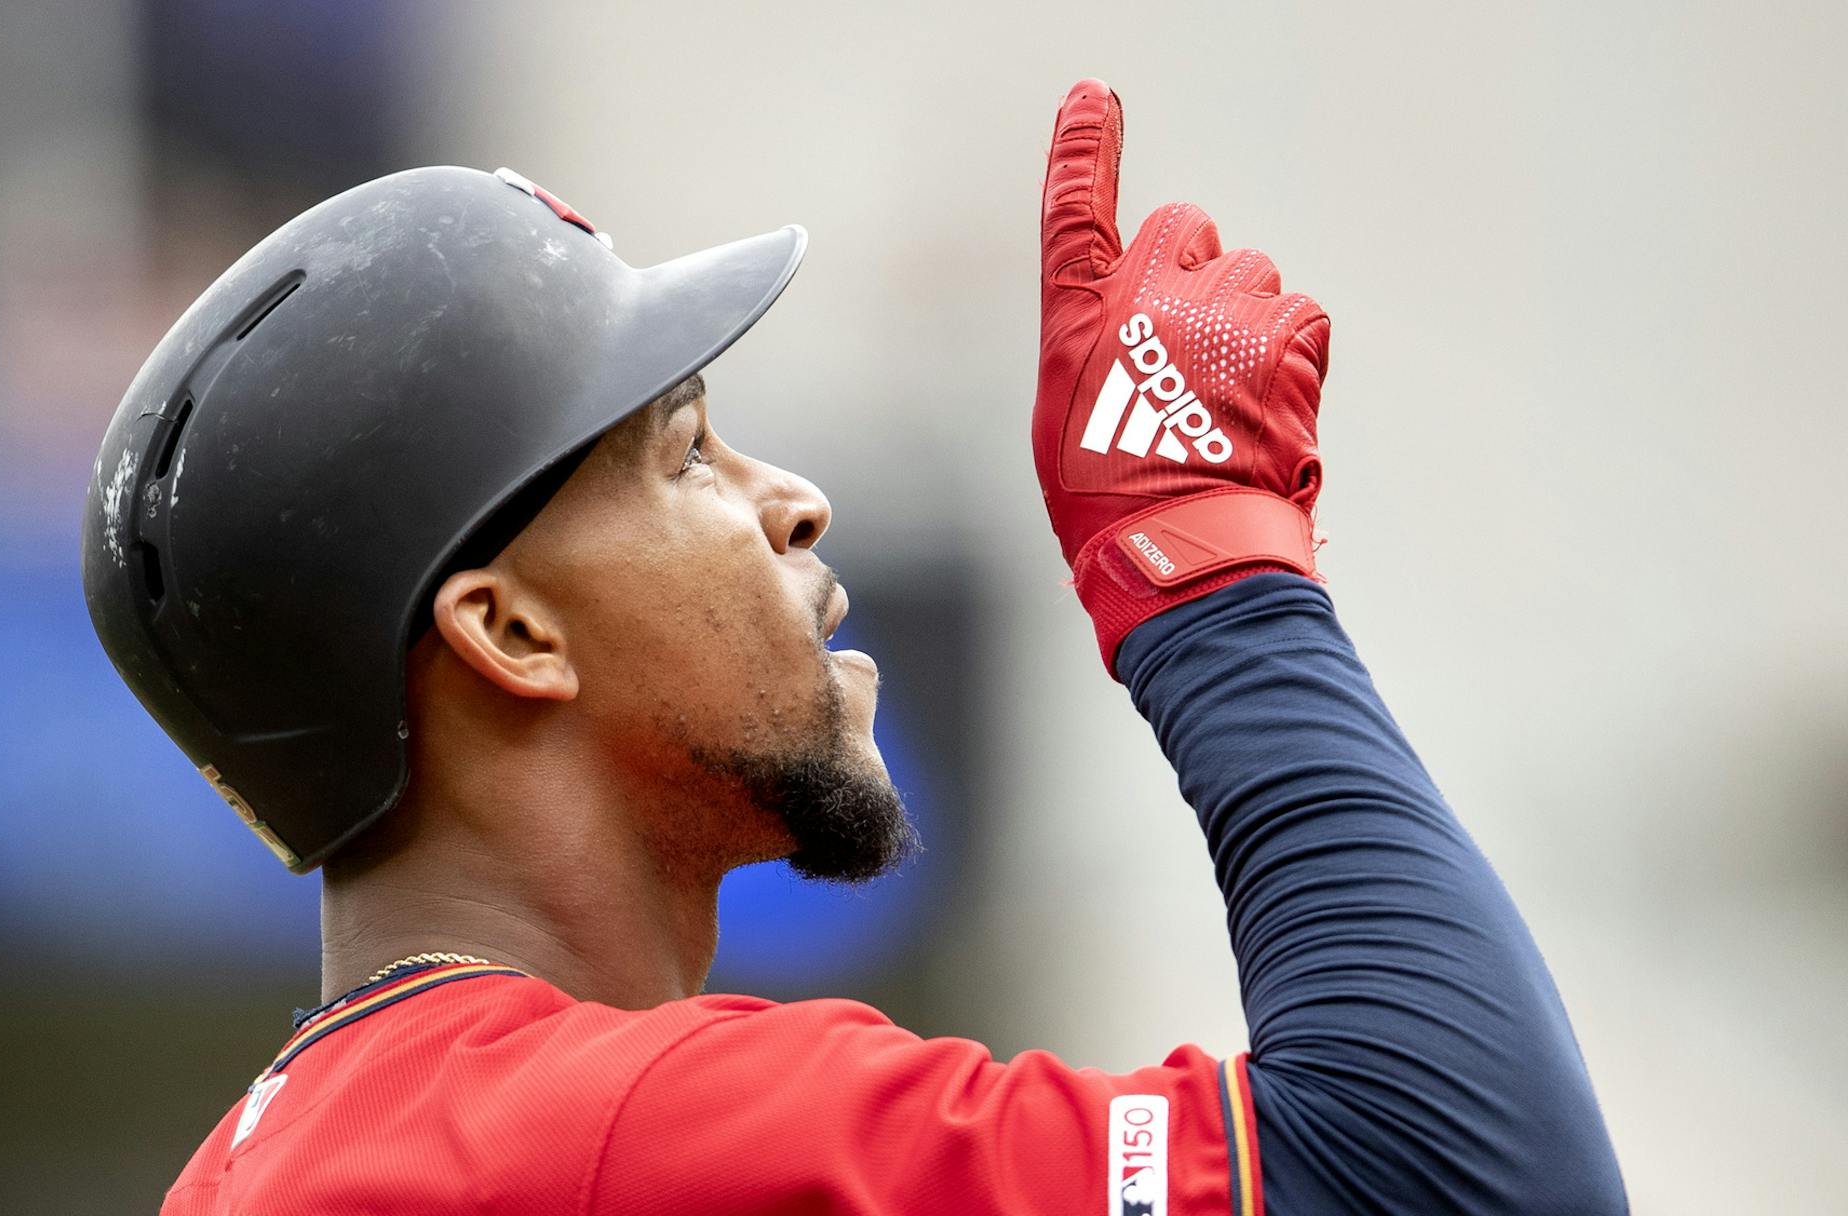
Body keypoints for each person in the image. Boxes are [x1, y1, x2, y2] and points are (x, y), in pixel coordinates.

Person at [93, 79, 1625, 1214]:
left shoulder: (257, 1167)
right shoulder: (603, 1134)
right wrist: (1216, 589)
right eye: (686, 456)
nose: (793, 504)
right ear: (509, 629)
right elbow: (1459, 1176)